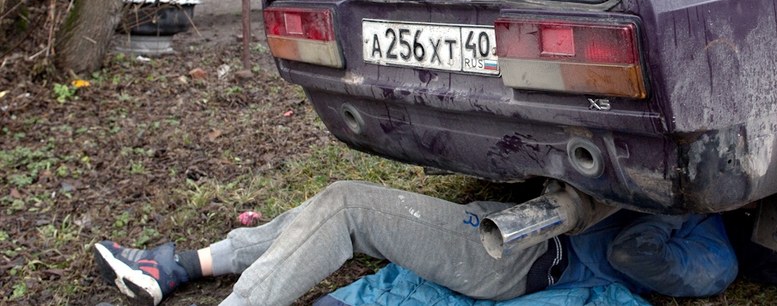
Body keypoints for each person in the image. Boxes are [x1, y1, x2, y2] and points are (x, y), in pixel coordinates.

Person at [93, 181, 738, 306]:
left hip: (520, 262)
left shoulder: (717, 248)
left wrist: (654, 200)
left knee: (348, 206)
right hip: (505, 228)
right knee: (327, 208)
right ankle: (181, 266)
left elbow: (635, 258)